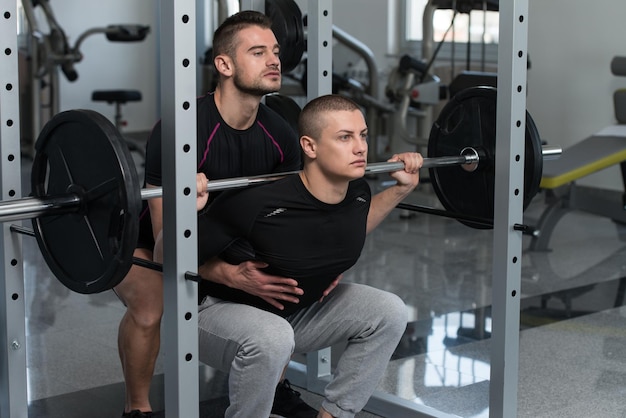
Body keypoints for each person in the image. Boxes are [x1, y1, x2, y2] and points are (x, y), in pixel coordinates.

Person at [155, 94, 423, 417]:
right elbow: (163, 259)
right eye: (345, 137)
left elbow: (351, 226)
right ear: (309, 147)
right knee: (273, 337)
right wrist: (186, 212)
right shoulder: (257, 204)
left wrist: (399, 189)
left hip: (292, 314)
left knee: (389, 312)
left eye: (363, 135)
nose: (360, 147)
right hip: (211, 314)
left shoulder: (357, 193)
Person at [114, 11, 313, 417]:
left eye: (275, 51)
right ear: (224, 65)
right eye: (258, 52)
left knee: (275, 283)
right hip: (149, 243)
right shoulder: (182, 128)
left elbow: (284, 221)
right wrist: (226, 272)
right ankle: (137, 407)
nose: (274, 60)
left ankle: (273, 385)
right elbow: (165, 252)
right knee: (153, 307)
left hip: (223, 237)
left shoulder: (281, 134)